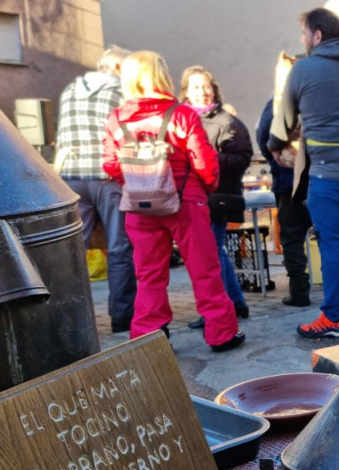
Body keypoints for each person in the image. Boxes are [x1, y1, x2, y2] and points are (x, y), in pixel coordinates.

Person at [101, 51, 245, 352]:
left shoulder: (117, 118)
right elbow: (205, 162)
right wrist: (204, 190)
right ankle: (221, 334)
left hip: (140, 205)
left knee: (149, 273)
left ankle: (149, 336)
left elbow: (111, 164)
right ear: (161, 74)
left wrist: (138, 184)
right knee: (205, 269)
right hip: (186, 200)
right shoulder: (181, 114)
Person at [270, 7, 339, 339]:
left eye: (304, 33)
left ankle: (333, 318)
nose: (302, 39)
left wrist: (276, 146)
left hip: (329, 174)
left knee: (332, 244)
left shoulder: (304, 69)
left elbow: (283, 124)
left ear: (318, 35)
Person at [54, 44, 136, 334]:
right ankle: (122, 316)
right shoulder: (120, 91)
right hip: (107, 174)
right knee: (118, 247)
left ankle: (72, 319)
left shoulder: (69, 91)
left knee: (73, 249)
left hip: (72, 175)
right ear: (117, 69)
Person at [180, 65, 253, 327]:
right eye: (195, 87)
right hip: (191, 196)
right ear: (186, 91)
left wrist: (205, 158)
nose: (202, 92)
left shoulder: (226, 121)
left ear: (214, 89)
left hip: (217, 196)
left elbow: (242, 158)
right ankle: (234, 302)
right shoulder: (181, 119)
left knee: (210, 253)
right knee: (214, 251)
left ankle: (220, 307)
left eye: (206, 86)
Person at [256, 97, 312, 307]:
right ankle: (336, 289)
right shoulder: (320, 92)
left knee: (292, 237)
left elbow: (263, 137)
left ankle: (299, 291)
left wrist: (276, 155)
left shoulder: (278, 100)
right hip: (321, 175)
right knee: (328, 236)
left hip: (289, 179)